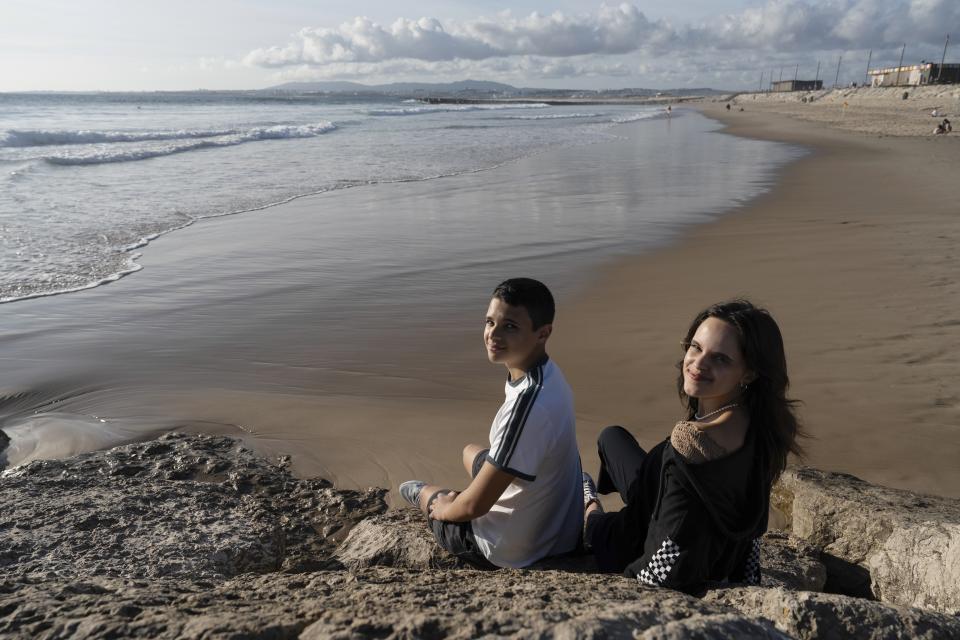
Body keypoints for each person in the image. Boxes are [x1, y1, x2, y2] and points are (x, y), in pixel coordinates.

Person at [581, 300, 804, 594]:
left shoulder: (692, 442)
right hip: (664, 499)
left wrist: (635, 580)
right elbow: (750, 519)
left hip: (629, 537)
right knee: (611, 438)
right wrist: (743, 577)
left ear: (749, 373)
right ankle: (621, 496)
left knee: (593, 516)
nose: (698, 364)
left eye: (720, 359)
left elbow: (667, 557)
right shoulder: (761, 427)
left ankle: (588, 503)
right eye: (696, 347)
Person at [399, 278, 582, 569]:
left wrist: (444, 508)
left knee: (441, 502)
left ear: (543, 333)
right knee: (469, 451)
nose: (493, 334)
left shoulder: (529, 405)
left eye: (510, 326)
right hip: (559, 527)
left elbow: (475, 507)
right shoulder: (550, 376)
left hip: (514, 548)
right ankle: (482, 480)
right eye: (489, 322)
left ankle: (422, 493)